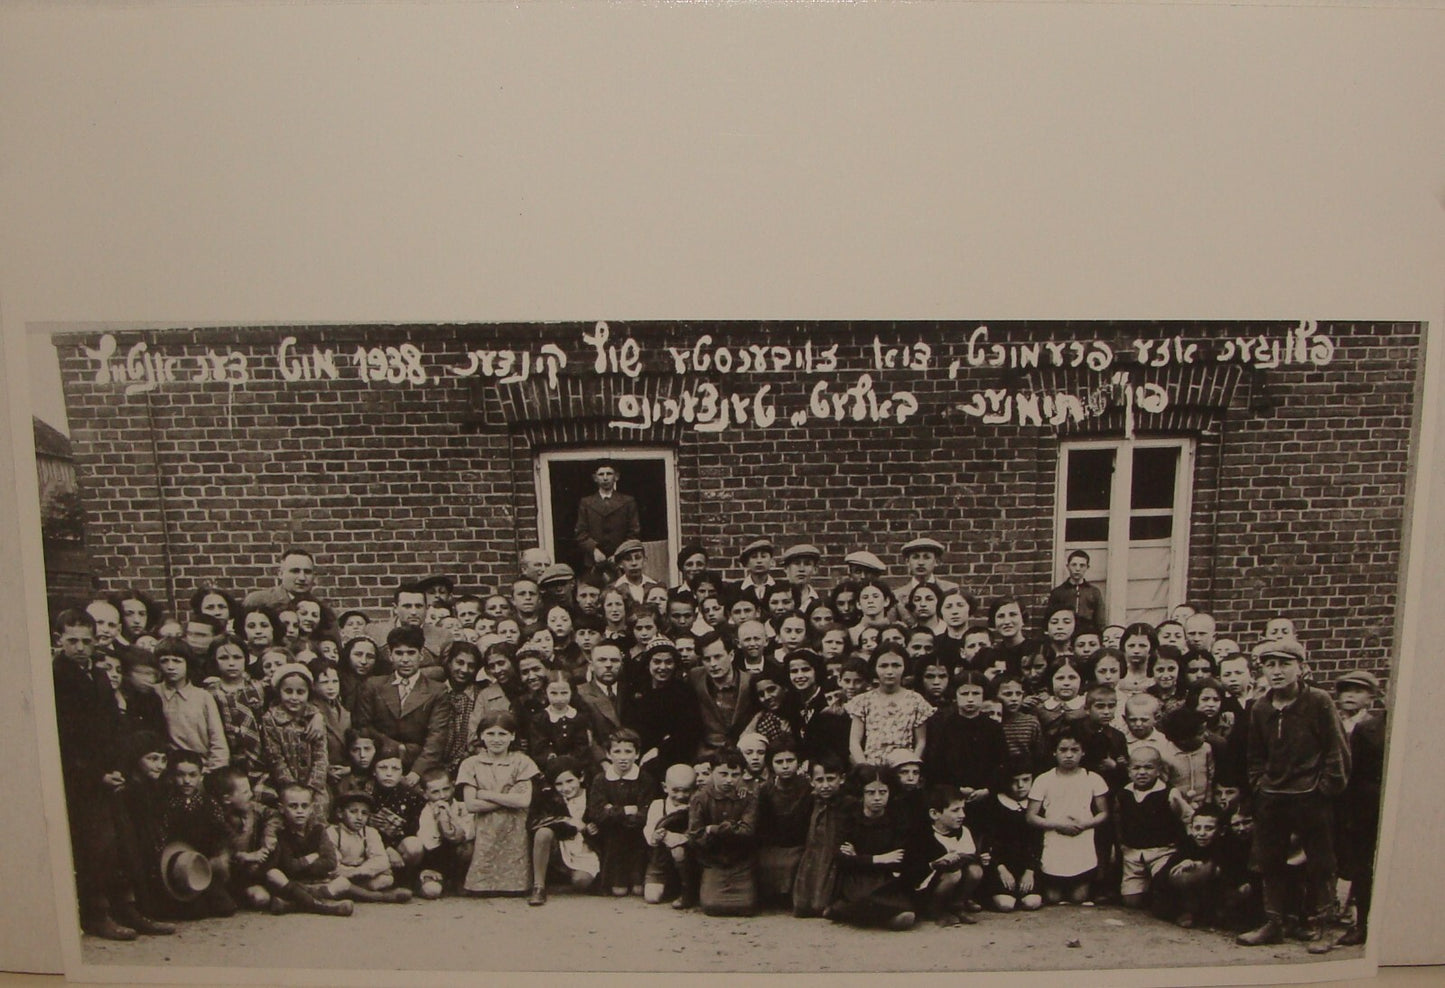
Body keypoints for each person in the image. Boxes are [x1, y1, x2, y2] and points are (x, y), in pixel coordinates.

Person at [1236, 636, 1350, 951]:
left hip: (1311, 795)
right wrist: (1260, 785)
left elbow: (1336, 749)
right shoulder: (1260, 707)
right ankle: (1274, 923)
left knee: (1320, 862)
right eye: (1270, 664)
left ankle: (1324, 927)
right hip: (1272, 795)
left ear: (1301, 667)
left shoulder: (1318, 701)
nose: (1277, 671)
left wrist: (1325, 788)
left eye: (1285, 664)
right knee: (1269, 860)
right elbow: (1255, 755)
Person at [352, 626, 452, 787]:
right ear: (390, 655)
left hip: (419, 767)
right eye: (399, 653)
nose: (405, 659)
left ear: (421, 655)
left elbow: (437, 736)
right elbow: (364, 726)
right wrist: (396, 748)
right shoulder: (373, 685)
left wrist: (416, 772)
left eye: (411, 653)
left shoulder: (437, 690)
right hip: (379, 765)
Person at [1025, 727, 1110, 905]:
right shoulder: (1044, 779)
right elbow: (1031, 816)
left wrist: (1084, 824)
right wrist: (1057, 824)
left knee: (1079, 898)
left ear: (1083, 752)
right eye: (1063, 750)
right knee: (1053, 898)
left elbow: (1104, 813)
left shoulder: (1093, 778)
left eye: (1074, 750)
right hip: (1054, 841)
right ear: (1054, 752)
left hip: (1082, 841)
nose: (1069, 755)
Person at [458, 712, 538, 896]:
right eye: (490, 734)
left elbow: (524, 800)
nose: (496, 739)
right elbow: (471, 805)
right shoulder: (471, 764)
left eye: (502, 734)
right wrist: (508, 798)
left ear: (512, 736)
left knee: (515, 883)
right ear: (481, 736)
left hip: (515, 828)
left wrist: (486, 794)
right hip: (484, 828)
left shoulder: (522, 762)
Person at [829, 764, 916, 930]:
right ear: (861, 794)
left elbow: (899, 858)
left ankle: (849, 912)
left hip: (885, 877)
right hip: (856, 877)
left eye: (883, 792)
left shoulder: (897, 818)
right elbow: (840, 857)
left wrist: (858, 856)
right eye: (870, 792)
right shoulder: (850, 817)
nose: (877, 798)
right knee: (862, 896)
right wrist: (878, 858)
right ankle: (850, 910)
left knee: (905, 910)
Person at [1334, 669, 1385, 947]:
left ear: (1371, 697)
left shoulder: (1373, 728)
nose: (1350, 696)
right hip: (1338, 799)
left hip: (1363, 804)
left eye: (1358, 691)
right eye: (1346, 690)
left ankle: (1360, 920)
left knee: (1362, 862)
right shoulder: (1334, 723)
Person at [687, 747, 760, 916]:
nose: (729, 780)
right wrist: (732, 828)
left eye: (735, 775)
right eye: (723, 774)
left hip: (741, 860)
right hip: (712, 860)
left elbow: (747, 831)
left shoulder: (748, 797)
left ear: (742, 775)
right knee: (711, 906)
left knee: (747, 906)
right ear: (712, 772)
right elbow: (695, 835)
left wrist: (713, 829)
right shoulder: (700, 798)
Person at [1115, 747, 1191, 910]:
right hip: (1134, 854)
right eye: (1136, 768)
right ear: (1129, 771)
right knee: (1131, 902)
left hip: (1162, 852)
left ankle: (1163, 893)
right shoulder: (1124, 793)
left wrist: (1185, 848)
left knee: (1164, 889)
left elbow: (1187, 818)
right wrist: (1122, 845)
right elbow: (1119, 821)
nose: (1142, 772)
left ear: (1158, 770)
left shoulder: (1169, 793)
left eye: (1148, 767)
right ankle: (1147, 888)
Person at [262, 784, 353, 917]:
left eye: (304, 806)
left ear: (311, 808)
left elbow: (330, 862)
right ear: (281, 808)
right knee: (273, 874)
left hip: (316, 883)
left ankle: (292, 905)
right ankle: (324, 908)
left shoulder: (318, 830)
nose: (300, 811)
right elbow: (289, 867)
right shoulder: (281, 833)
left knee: (343, 883)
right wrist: (312, 857)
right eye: (293, 806)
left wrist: (301, 864)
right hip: (292, 883)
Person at [587, 729, 658, 896]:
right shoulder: (601, 780)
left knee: (638, 889)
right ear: (608, 754)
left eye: (628, 751)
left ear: (637, 754)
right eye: (617, 751)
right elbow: (596, 814)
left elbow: (645, 814)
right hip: (611, 840)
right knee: (618, 890)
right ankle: (616, 879)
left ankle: (637, 876)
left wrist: (612, 810)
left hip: (638, 839)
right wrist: (625, 810)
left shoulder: (645, 780)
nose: (623, 757)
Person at [905, 785, 985, 926]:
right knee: (953, 875)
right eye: (955, 810)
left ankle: (957, 906)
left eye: (963, 809)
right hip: (926, 888)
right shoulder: (923, 836)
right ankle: (935, 910)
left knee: (975, 870)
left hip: (954, 881)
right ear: (934, 814)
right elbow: (913, 871)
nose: (962, 815)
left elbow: (970, 854)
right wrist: (935, 864)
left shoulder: (963, 831)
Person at [260, 663, 330, 818]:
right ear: (279, 692)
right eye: (288, 691)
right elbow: (275, 757)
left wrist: (312, 786)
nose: (294, 698)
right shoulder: (271, 719)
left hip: (314, 787)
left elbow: (321, 755)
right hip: (284, 786)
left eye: (300, 692)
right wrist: (291, 787)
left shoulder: (315, 717)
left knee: (318, 816)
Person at [973, 761, 1044, 912]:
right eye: (1014, 781)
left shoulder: (1036, 805)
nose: (1020, 785)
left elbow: (1038, 842)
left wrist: (1030, 871)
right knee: (1005, 904)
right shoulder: (994, 804)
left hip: (1027, 865)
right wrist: (1001, 869)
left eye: (1026, 780)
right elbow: (988, 840)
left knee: (1032, 902)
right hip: (1001, 864)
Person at [846, 645, 933, 767]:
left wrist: (911, 765)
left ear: (905, 667)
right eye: (883, 666)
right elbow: (854, 742)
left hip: (904, 765)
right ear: (875, 667)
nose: (890, 672)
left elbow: (921, 742)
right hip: (872, 766)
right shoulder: (863, 701)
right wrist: (865, 768)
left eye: (896, 665)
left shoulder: (916, 700)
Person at [528, 757, 599, 906]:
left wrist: (592, 829)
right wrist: (567, 821)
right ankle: (539, 886)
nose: (565, 788)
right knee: (543, 833)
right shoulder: (550, 798)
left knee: (581, 882)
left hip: (586, 850)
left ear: (581, 777)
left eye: (570, 781)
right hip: (561, 848)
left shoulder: (593, 794)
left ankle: (564, 880)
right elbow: (533, 823)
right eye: (559, 784)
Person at [153, 638, 230, 773]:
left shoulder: (203, 697)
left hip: (201, 769)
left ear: (188, 663)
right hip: (163, 769)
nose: (170, 666)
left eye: (177, 661)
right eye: (164, 661)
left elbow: (218, 742)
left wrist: (213, 772)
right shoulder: (153, 693)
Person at [323, 791, 414, 903]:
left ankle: (352, 892)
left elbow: (381, 860)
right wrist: (349, 872)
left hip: (360, 875)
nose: (359, 817)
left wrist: (358, 871)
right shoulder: (333, 832)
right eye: (353, 812)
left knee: (386, 879)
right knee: (337, 881)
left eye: (364, 813)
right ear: (340, 813)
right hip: (340, 875)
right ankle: (377, 896)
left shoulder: (370, 832)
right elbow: (333, 865)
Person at [688, 632, 756, 760]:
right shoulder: (695, 678)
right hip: (706, 755)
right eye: (707, 659)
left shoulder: (749, 682)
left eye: (718, 657)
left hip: (742, 753)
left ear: (731, 655)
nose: (712, 664)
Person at [416, 768, 475, 899]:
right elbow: (430, 844)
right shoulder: (426, 812)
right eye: (435, 792)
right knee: (432, 891)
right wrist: (440, 820)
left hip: (457, 858)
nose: (442, 796)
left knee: (467, 848)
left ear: (453, 786)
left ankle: (459, 880)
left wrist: (450, 815)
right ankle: (431, 881)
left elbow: (467, 834)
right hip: (435, 861)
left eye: (446, 789)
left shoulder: (462, 807)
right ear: (425, 794)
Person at [643, 763, 697, 906]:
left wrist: (680, 838)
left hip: (686, 859)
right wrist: (654, 836)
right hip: (660, 859)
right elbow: (649, 829)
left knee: (678, 850)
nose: (680, 795)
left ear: (694, 789)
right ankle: (670, 886)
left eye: (686, 791)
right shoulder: (658, 805)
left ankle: (687, 887)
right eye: (675, 790)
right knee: (652, 897)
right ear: (665, 787)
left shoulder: (695, 806)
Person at [574, 459, 642, 570]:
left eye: (609, 474)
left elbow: (634, 532)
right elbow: (580, 533)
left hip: (621, 561)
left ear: (616, 477)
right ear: (595, 478)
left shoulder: (628, 501)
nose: (605, 478)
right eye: (601, 474)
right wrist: (594, 550)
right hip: (594, 562)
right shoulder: (586, 503)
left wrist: (619, 554)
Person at [243, 547, 319, 612]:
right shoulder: (258, 601)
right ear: (281, 574)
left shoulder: (318, 606)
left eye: (307, 572)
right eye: (295, 571)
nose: (302, 578)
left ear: (314, 576)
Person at [1045, 549, 1105, 629]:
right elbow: (1049, 619)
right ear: (1068, 566)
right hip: (1066, 631)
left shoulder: (1094, 592)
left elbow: (1100, 621)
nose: (1077, 569)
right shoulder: (1058, 592)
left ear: (1087, 567)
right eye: (1074, 565)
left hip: (1087, 632)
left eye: (1082, 565)